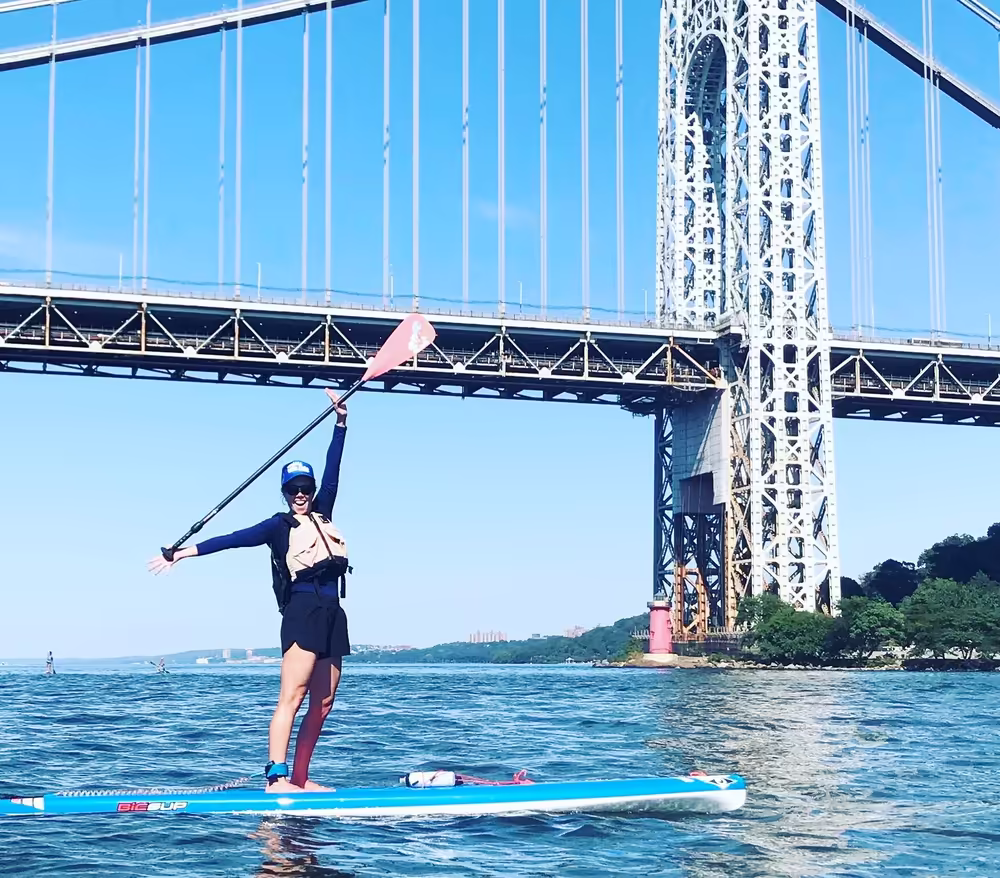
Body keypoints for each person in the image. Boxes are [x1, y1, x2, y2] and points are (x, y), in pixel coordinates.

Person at [148, 389, 351, 793]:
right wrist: (183, 554)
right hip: (302, 610)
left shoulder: (323, 511)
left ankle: (301, 777)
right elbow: (233, 538)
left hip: (333, 612)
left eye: (305, 487)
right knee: (291, 697)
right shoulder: (277, 526)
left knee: (324, 704)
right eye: (293, 488)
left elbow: (334, 472)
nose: (301, 493)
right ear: (284, 492)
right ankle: (276, 777)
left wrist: (341, 423)